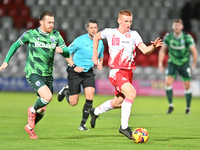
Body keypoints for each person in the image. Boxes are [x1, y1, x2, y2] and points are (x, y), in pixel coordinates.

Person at [91, 10, 163, 140]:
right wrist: (95, 54)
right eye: (126, 21)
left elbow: (145, 50)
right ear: (119, 20)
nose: (128, 24)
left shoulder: (134, 35)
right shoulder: (110, 32)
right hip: (116, 71)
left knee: (119, 102)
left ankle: (95, 111)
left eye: (130, 21)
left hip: (128, 72)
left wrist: (153, 47)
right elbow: (96, 37)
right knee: (131, 93)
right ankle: (124, 127)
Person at [0, 11, 70, 139]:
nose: (52, 25)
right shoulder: (31, 34)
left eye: (53, 22)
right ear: (41, 22)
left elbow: (67, 52)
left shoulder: (56, 35)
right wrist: (6, 61)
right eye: (49, 22)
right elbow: (15, 45)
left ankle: (30, 127)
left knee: (43, 108)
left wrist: (62, 50)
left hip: (48, 75)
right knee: (47, 96)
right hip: (33, 72)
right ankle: (31, 110)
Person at [57, 19, 104, 131]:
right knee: (73, 103)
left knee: (90, 96)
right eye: (91, 28)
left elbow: (101, 56)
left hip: (88, 73)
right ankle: (66, 91)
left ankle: (82, 124)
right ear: (87, 28)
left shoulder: (100, 42)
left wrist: (100, 63)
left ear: (97, 29)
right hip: (75, 72)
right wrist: (74, 66)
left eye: (95, 28)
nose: (93, 30)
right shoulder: (79, 40)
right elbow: (67, 53)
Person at [158, 19, 197, 114]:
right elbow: (162, 50)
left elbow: (194, 51)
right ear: (173, 26)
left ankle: (188, 108)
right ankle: (170, 105)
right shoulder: (168, 37)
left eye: (179, 25)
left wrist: (194, 64)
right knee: (167, 83)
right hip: (172, 63)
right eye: (175, 25)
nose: (177, 27)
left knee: (187, 85)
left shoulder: (187, 37)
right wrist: (160, 63)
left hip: (184, 63)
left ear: (182, 27)